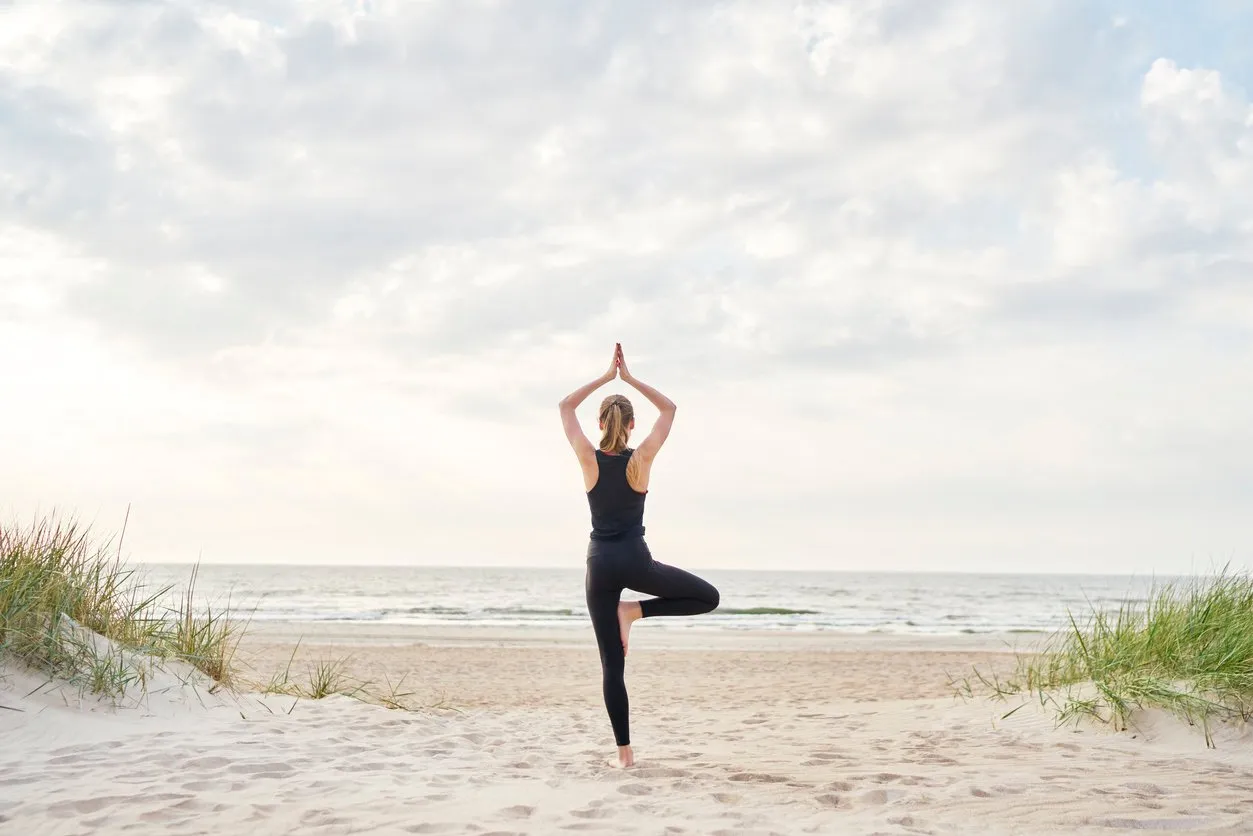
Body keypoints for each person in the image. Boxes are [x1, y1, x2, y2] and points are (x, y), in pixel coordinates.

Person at [558, 343, 721, 768]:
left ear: (599, 423)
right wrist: (627, 377)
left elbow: (564, 406)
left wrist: (603, 376)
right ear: (631, 425)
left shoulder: (588, 458)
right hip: (635, 560)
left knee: (612, 666)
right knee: (708, 597)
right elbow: (669, 410)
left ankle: (624, 756)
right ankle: (635, 612)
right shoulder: (641, 459)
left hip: (599, 566)